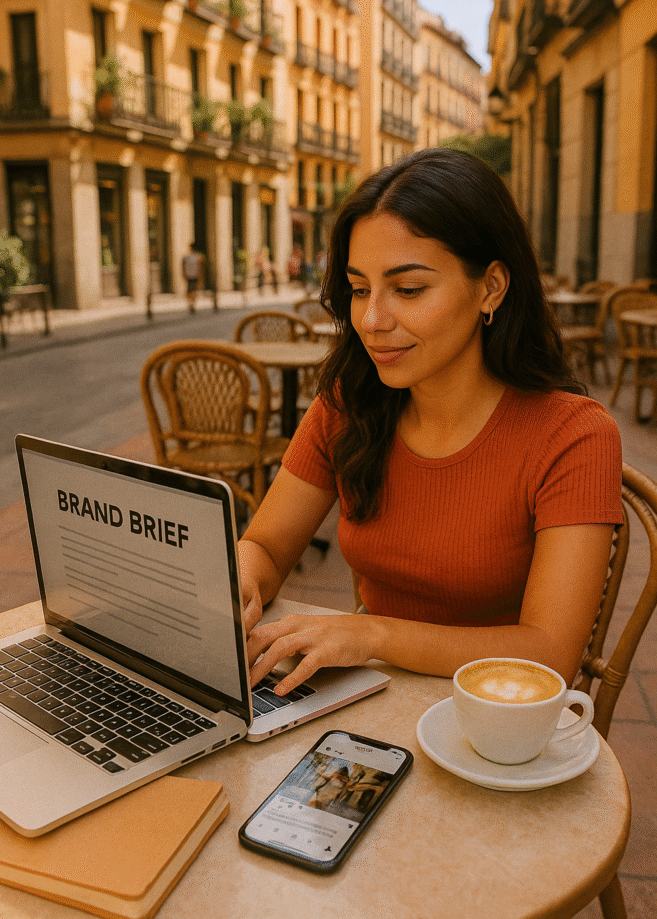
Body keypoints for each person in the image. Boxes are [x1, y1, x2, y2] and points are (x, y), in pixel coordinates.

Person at [239, 149, 623, 697]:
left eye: (408, 290)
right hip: (365, 696)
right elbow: (267, 548)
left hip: (497, 716)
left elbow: (550, 653)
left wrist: (372, 634)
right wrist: (241, 577)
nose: (372, 320)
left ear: (490, 287)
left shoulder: (574, 436)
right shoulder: (349, 404)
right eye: (360, 289)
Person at [182, 243, 204, 313]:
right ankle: (191, 303)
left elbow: (183, 266)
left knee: (191, 290)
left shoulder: (188, 257)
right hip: (193, 275)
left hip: (191, 275)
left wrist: (184, 274)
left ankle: (191, 303)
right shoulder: (198, 257)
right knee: (192, 290)